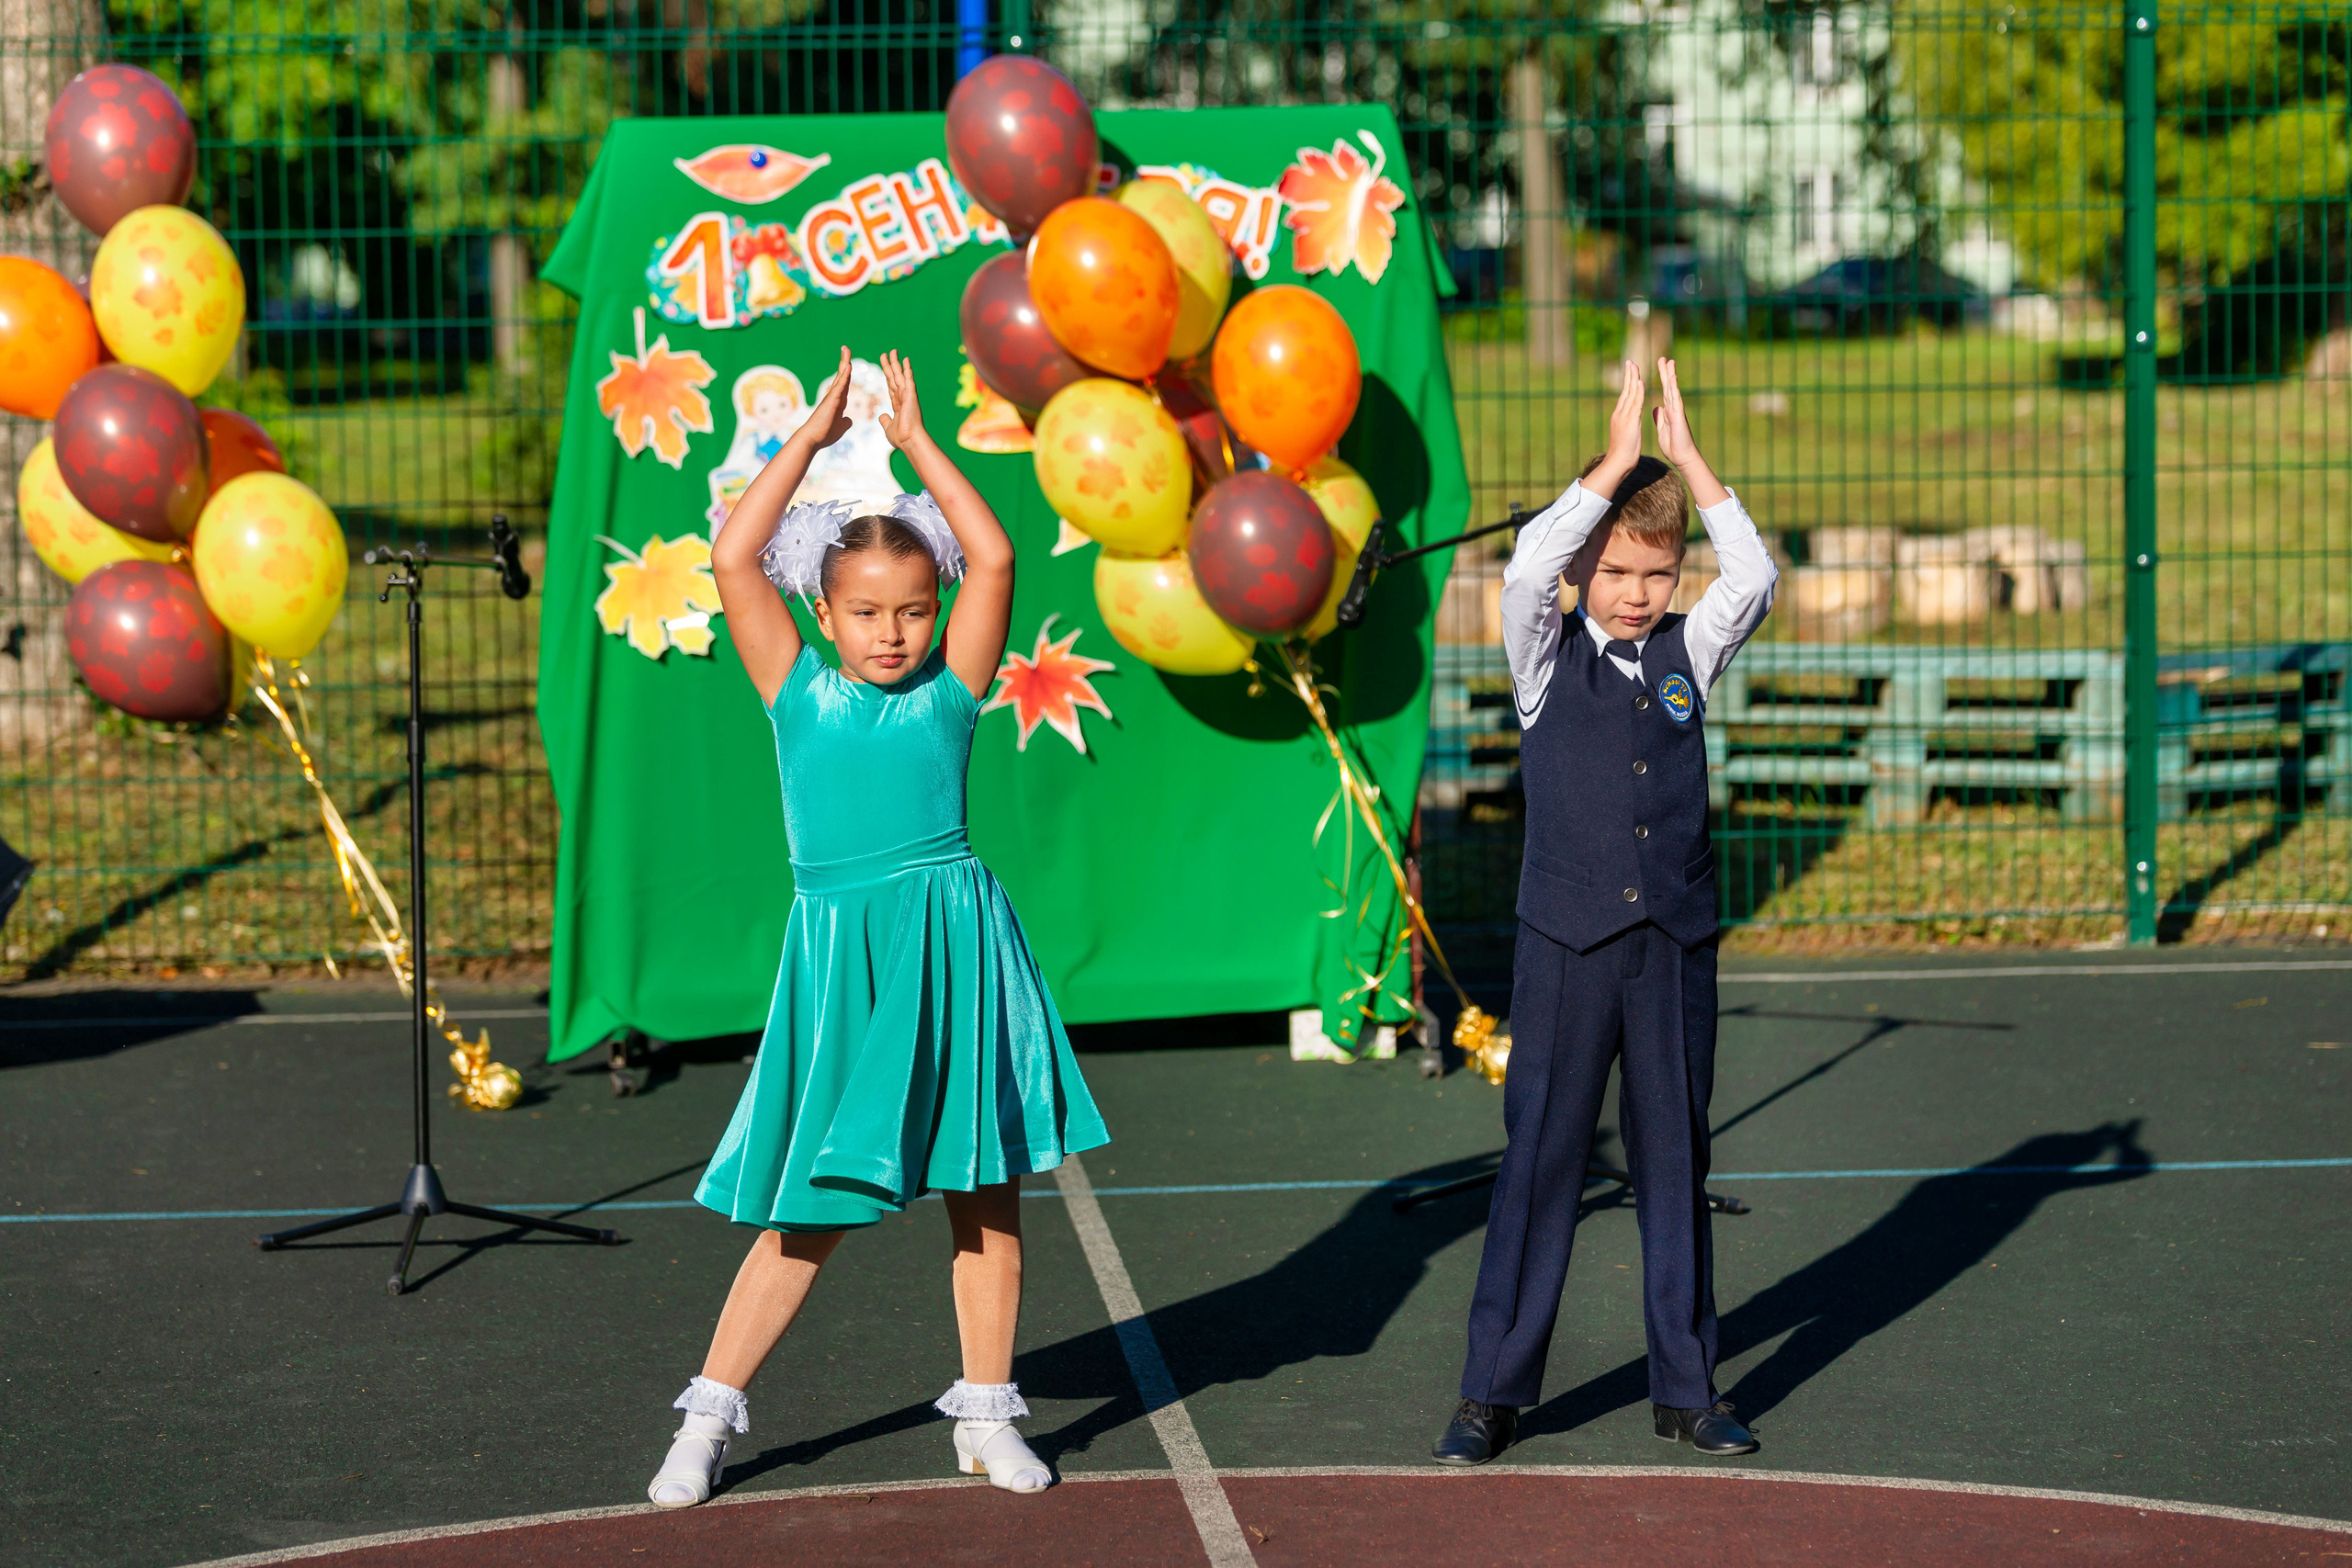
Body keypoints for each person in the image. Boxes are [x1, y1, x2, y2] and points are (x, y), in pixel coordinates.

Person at [645, 346, 1110, 1508]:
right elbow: (730, 554)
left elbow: (993, 551)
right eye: (867, 613)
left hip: (957, 953)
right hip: (843, 969)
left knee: (986, 1198)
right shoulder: (794, 687)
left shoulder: (955, 689)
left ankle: (987, 1417)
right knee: (806, 1214)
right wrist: (809, 440)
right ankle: (706, 1420)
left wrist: (911, 443)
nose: (893, 632)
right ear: (823, 608)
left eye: (913, 609)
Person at [1430, 357, 1778, 1466]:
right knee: (1542, 1153)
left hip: (1671, 946)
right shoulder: (1542, 655)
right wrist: (1616, 459)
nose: (1639, 591)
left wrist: (1689, 463)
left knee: (1674, 1155)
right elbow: (1529, 567)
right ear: (1584, 570)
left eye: (1658, 570)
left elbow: (1755, 577)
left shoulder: (1690, 652)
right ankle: (1493, 1390)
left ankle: (1687, 1384)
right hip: (1567, 944)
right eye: (1619, 570)